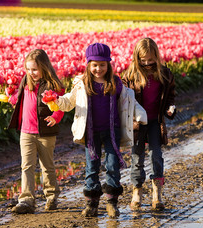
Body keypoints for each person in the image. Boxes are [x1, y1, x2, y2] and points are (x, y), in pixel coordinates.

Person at [47, 43, 147, 218]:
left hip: (112, 131)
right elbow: (69, 102)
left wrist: (139, 114)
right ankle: (91, 204)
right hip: (91, 133)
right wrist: (55, 100)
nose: (98, 68)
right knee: (91, 167)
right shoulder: (82, 84)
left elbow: (129, 101)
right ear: (88, 65)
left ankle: (111, 203)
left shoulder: (115, 82)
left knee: (112, 165)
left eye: (102, 64)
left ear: (108, 64)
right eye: (94, 65)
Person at [122, 37, 176, 211]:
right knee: (137, 157)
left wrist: (170, 108)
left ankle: (156, 192)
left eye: (150, 60)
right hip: (137, 123)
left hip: (155, 122)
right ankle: (137, 190)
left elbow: (170, 97)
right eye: (143, 61)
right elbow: (122, 96)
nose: (146, 64)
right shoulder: (130, 75)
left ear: (156, 57)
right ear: (137, 58)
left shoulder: (165, 74)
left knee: (156, 155)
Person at [8, 49, 65, 214]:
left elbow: (60, 106)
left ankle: (52, 195)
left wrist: (55, 117)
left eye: (34, 69)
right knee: (26, 166)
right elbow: (19, 100)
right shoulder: (25, 82)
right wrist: (9, 97)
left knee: (47, 166)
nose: (31, 73)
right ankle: (26, 199)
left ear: (44, 68)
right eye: (28, 69)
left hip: (46, 133)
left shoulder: (53, 86)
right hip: (26, 132)